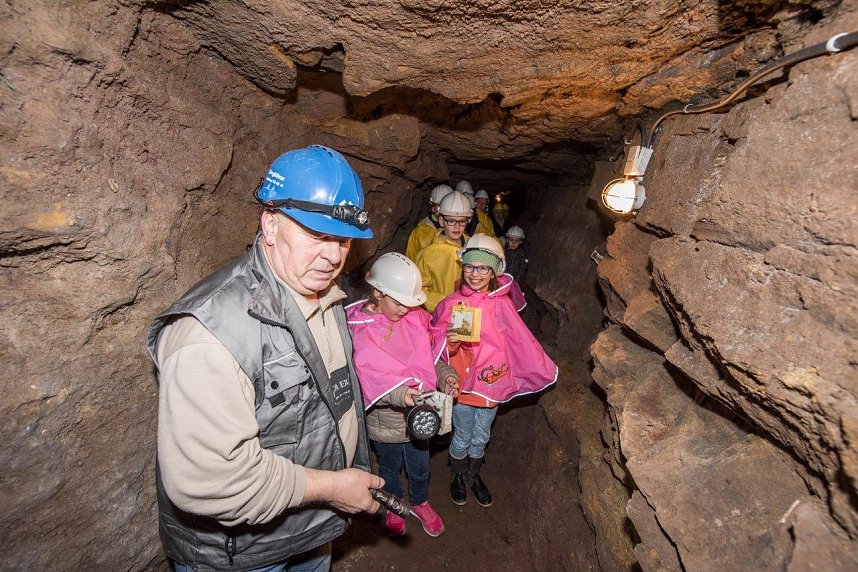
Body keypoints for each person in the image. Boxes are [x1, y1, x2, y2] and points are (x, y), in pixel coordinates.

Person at [147, 145, 383, 572]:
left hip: (311, 528)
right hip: (242, 554)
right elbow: (208, 480)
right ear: (270, 225)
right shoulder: (210, 333)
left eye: (343, 240)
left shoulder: (326, 296)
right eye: (317, 235)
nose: (333, 256)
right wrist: (332, 487)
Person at [431, 234, 557, 508]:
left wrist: (532, 365)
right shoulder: (451, 304)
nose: (475, 274)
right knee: (462, 434)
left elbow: (517, 341)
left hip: (492, 385)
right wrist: (450, 343)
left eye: (483, 268)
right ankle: (458, 473)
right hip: (464, 387)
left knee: (482, 434)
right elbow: (436, 348)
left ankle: (473, 474)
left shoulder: (501, 304)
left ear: (493, 272)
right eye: (470, 267)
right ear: (462, 268)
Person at [346, 252, 460, 538]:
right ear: (377, 293)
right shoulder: (359, 331)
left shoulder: (412, 319)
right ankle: (395, 505)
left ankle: (420, 502)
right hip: (386, 423)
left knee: (420, 466)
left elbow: (429, 357)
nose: (405, 309)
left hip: (420, 418)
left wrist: (446, 376)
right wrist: (400, 394)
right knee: (389, 466)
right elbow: (368, 376)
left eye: (410, 303)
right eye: (399, 302)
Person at [415, 190, 473, 312]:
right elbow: (418, 290)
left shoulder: (474, 249)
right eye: (451, 221)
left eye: (462, 221)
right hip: (441, 315)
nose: (457, 227)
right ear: (441, 220)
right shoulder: (428, 254)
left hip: (469, 313)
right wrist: (444, 304)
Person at [406, 184, 453, 262]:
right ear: (433, 208)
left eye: (447, 207)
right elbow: (410, 261)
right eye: (440, 207)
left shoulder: (457, 229)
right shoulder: (420, 233)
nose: (444, 211)